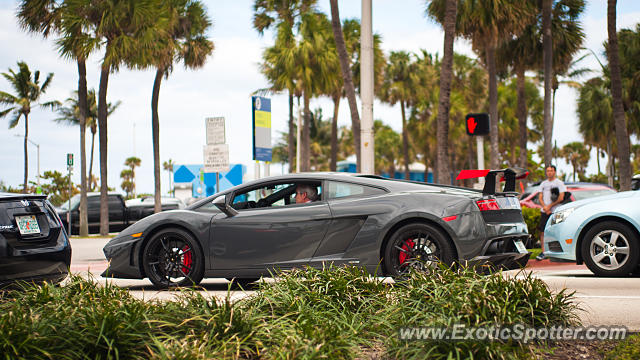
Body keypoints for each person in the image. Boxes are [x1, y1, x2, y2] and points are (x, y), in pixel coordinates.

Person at [536, 165, 566, 260]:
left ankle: (559, 253)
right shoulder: (543, 184)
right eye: (548, 171)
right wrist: (545, 207)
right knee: (543, 231)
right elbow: (540, 197)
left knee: (557, 231)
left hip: (555, 211)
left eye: (551, 171)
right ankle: (544, 252)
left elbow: (561, 197)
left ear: (554, 172)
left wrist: (550, 206)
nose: (549, 172)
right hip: (545, 211)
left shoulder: (559, 183)